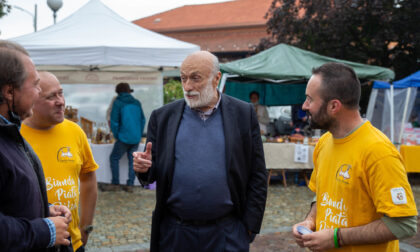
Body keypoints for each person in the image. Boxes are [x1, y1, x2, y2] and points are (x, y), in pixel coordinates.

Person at [133, 51, 267, 252]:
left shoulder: (242, 114)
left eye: (195, 78)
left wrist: (249, 226)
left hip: (227, 232)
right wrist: (142, 168)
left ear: (216, 79)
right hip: (176, 233)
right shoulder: (163, 118)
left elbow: (257, 174)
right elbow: (151, 173)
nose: (187, 87)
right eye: (183, 78)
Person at [293, 62, 417, 251]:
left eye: (310, 99)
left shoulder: (379, 152)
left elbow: (404, 225)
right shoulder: (324, 143)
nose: (304, 106)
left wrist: (337, 237)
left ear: (334, 106)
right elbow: (323, 196)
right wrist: (309, 222)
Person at [0, 41, 72, 251]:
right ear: (9, 92)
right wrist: (45, 230)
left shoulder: (10, 130)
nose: (39, 91)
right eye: (36, 85)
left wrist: (42, 210)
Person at [21, 71, 99, 252]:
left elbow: (88, 178)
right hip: (34, 244)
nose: (61, 102)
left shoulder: (75, 131)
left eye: (61, 93)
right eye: (51, 97)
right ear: (32, 99)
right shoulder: (15, 135)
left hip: (73, 243)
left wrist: (86, 226)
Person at [108, 82, 145, 192]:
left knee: (114, 158)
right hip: (136, 137)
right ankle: (130, 184)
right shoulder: (137, 102)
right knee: (132, 161)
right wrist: (138, 133)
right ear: (129, 91)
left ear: (118, 92)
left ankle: (115, 183)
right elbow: (142, 120)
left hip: (123, 137)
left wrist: (116, 135)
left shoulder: (118, 102)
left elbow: (114, 121)